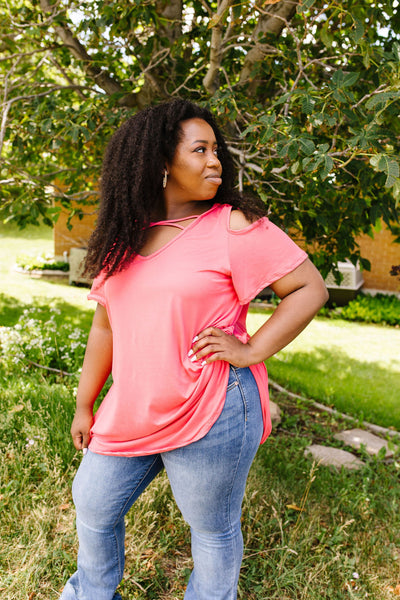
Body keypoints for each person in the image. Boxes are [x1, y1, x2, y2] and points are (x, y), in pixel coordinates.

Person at [60, 98, 328, 600]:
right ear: (160, 162)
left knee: (211, 528)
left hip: (213, 405)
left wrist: (250, 350)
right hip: (131, 409)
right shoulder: (124, 236)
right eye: (200, 149)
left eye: (216, 151)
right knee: (93, 504)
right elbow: (105, 328)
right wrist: (83, 402)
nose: (215, 162)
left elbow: (309, 289)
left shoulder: (234, 226)